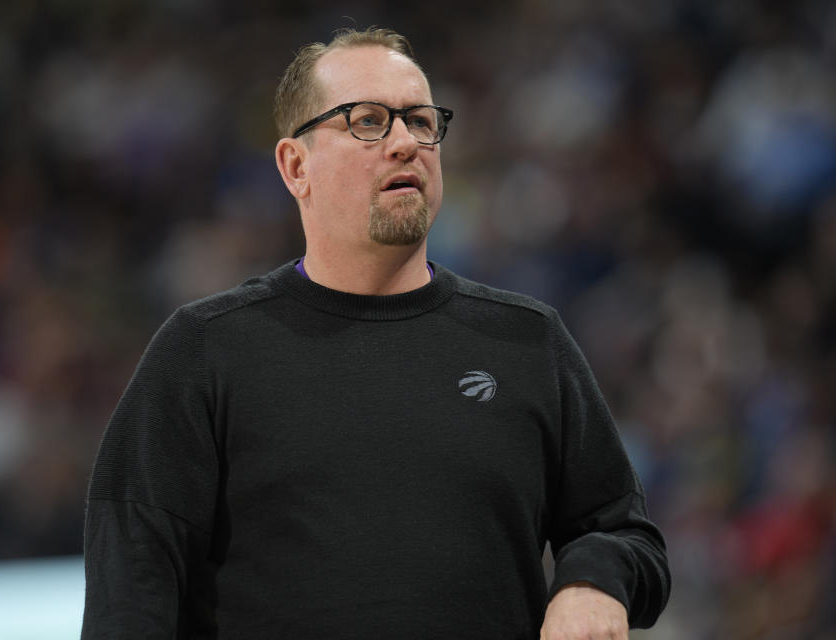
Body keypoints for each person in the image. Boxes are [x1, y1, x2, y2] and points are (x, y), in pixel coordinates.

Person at [81, 27, 670, 639]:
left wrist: (593, 579)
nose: (404, 143)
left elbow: (627, 535)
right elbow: (131, 591)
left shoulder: (528, 341)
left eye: (420, 121)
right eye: (367, 121)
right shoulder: (204, 349)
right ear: (294, 165)